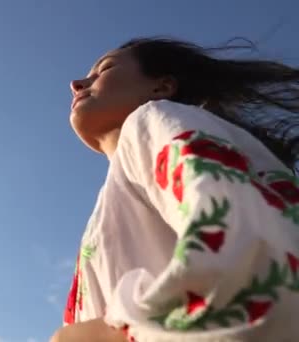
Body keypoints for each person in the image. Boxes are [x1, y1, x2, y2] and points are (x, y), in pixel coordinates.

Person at [50, 37, 299, 342]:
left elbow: (258, 263)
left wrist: (108, 335)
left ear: (161, 87)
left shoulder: (151, 120)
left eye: (104, 69)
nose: (77, 84)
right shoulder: (112, 196)